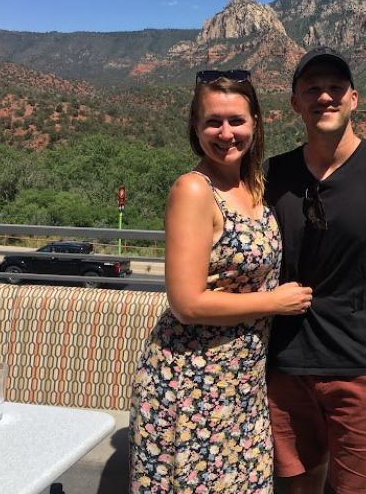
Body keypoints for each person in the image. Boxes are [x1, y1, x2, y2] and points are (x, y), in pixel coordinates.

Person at [129, 70, 313, 493]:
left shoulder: (254, 185)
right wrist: (274, 303)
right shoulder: (194, 190)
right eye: (213, 121)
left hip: (242, 384)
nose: (225, 133)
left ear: (256, 123)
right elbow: (187, 303)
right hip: (191, 384)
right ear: (195, 127)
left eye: (237, 121)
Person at [264, 48, 366, 493]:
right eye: (312, 89)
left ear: (354, 98)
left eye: (335, 88)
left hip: (363, 371)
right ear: (296, 103)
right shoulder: (272, 176)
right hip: (286, 369)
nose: (325, 97)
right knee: (297, 488)